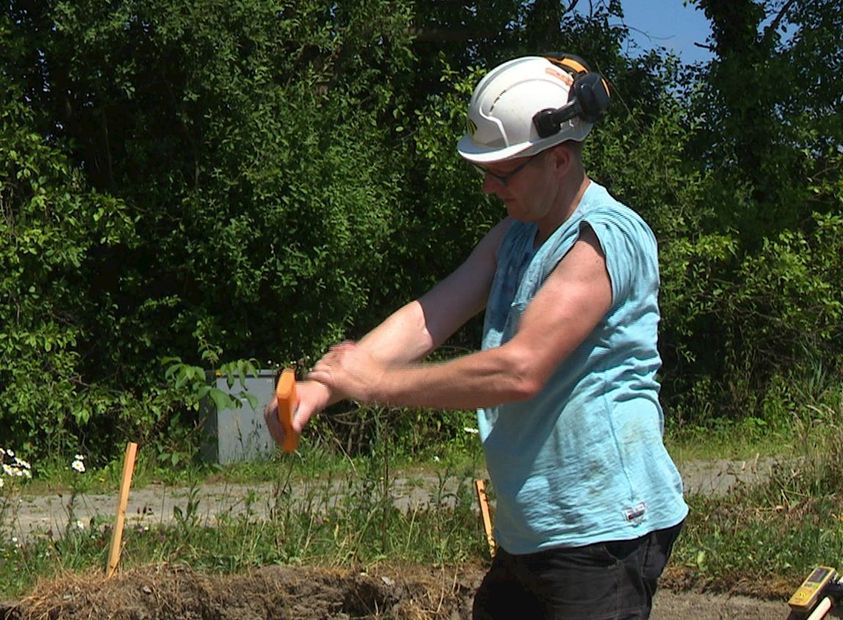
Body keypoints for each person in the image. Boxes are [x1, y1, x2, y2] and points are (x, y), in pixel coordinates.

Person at [265, 54, 688, 620]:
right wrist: (324, 388)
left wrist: (379, 385)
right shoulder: (516, 236)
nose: (489, 186)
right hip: (534, 531)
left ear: (558, 159)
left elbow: (520, 369)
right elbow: (428, 317)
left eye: (503, 172)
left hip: (601, 532)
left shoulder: (601, 241)